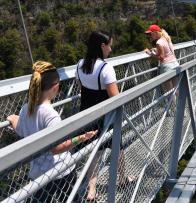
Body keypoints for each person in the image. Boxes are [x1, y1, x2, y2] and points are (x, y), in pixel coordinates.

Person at [7, 61, 97, 202]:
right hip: (61, 170)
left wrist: (13, 119)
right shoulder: (51, 115)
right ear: (55, 87)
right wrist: (81, 138)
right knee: (71, 199)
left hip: (38, 174)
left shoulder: (26, 108)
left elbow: (22, 130)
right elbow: (57, 148)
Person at [75, 31, 121, 201]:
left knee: (94, 151)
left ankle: (91, 190)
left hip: (86, 114)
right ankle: (122, 178)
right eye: (109, 45)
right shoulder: (106, 68)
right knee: (116, 145)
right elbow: (115, 97)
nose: (111, 49)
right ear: (102, 46)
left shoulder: (80, 64)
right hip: (105, 116)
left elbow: (81, 86)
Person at [144, 24, 179, 90]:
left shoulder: (158, 42)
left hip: (167, 67)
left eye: (151, 34)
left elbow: (161, 57)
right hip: (175, 64)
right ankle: (179, 100)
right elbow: (167, 51)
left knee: (169, 91)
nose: (150, 36)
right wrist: (157, 50)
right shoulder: (166, 38)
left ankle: (173, 101)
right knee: (176, 89)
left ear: (155, 33)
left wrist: (151, 54)